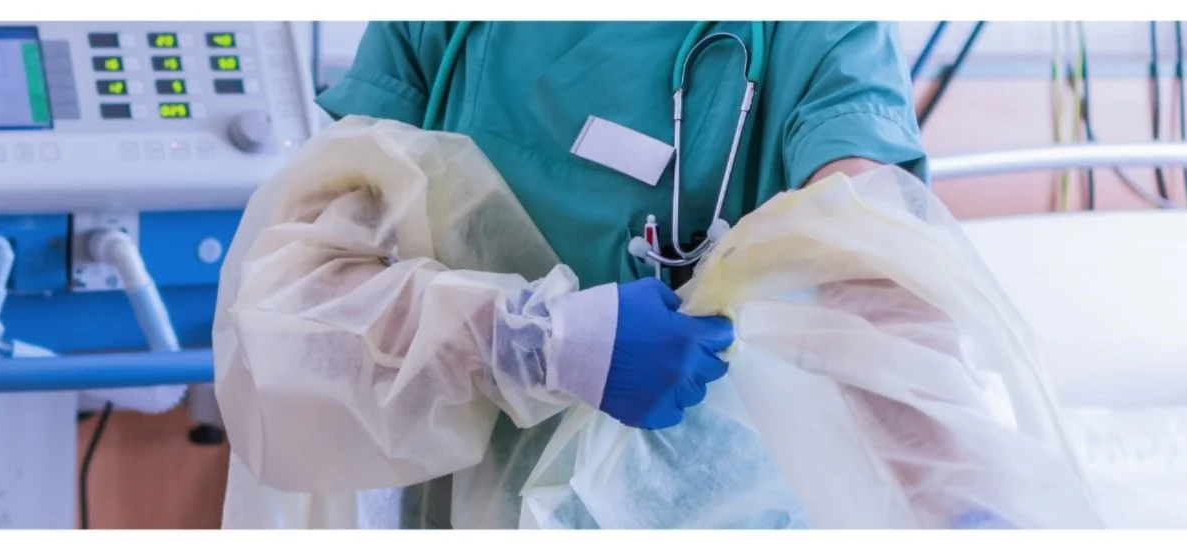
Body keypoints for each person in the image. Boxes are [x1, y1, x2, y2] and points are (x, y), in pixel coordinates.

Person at [215, 21, 928, 528]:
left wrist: (953, 497)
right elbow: (296, 308)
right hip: (468, 506)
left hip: (726, 506)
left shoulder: (819, 31)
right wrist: (534, 341)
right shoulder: (437, 27)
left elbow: (874, 269)